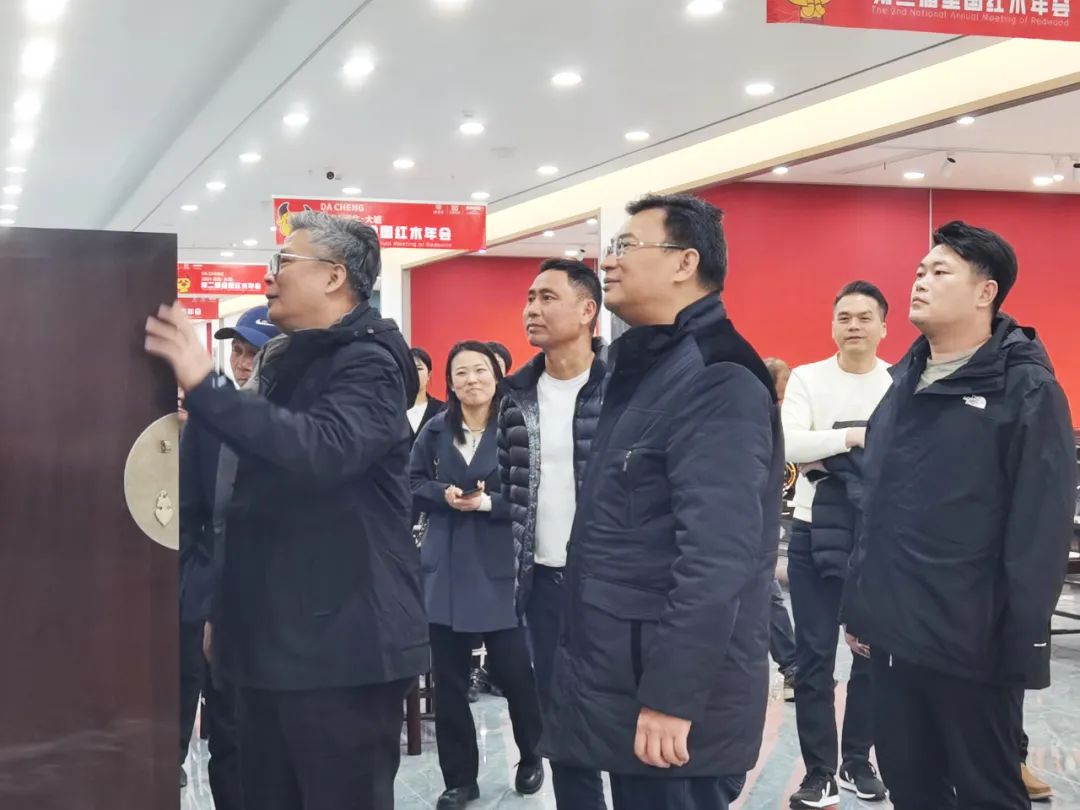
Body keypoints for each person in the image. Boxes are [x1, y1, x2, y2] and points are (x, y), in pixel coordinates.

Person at [146, 211, 428, 810]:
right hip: (273, 641)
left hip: (342, 648)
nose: (268, 277)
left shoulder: (370, 363)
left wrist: (206, 387)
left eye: (283, 262)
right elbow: (247, 504)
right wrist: (226, 613)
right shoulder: (291, 361)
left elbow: (322, 450)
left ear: (333, 276)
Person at [542, 194, 783, 810]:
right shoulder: (649, 364)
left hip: (671, 698)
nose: (608, 262)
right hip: (629, 669)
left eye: (626, 247)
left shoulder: (717, 375)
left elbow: (716, 557)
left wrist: (673, 696)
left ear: (684, 262)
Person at [841, 221, 1076, 810]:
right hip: (896, 637)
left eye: (940, 272)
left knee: (985, 792)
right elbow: (878, 506)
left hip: (975, 645)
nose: (920, 281)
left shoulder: (1025, 389)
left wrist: (1022, 644)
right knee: (910, 786)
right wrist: (862, 606)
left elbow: (1040, 529)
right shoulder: (903, 383)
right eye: (920, 271)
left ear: (985, 292)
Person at [411, 341, 544, 810]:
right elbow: (412, 483)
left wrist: (488, 502)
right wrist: (441, 494)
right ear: (449, 382)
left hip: (498, 565)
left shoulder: (518, 427)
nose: (472, 380)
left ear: (497, 375)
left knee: (515, 673)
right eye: (461, 372)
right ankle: (460, 779)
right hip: (445, 568)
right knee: (449, 684)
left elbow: (532, 493)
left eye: (480, 370)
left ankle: (532, 753)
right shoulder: (434, 429)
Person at [498, 258, 607, 809]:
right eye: (529, 298)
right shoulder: (515, 395)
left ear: (587, 310)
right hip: (542, 582)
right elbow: (510, 488)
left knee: (621, 717)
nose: (532, 309)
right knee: (560, 722)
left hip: (611, 584)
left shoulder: (621, 388)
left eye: (547, 298)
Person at [781, 281, 892, 807]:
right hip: (811, 531)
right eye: (844, 316)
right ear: (832, 325)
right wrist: (853, 437)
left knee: (871, 652)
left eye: (865, 317)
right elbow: (788, 443)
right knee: (815, 658)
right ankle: (820, 771)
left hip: (879, 534)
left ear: (883, 326)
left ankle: (857, 761)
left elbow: (903, 455)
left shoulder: (897, 381)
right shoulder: (808, 377)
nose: (854, 325)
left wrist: (822, 448)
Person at [179, 306, 279, 804]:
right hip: (208, 592)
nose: (242, 363)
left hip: (274, 603)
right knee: (221, 731)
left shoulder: (298, 427)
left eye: (253, 353)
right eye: (236, 351)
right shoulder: (209, 421)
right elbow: (188, 509)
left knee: (258, 735)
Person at [762, 357, 798, 704]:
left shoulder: (778, 418)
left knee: (767, 594)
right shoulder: (757, 418)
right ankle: (791, 665)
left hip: (763, 522)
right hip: (750, 523)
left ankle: (792, 665)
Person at [409, 347, 445, 444]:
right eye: (408, 368)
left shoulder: (443, 410)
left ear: (429, 374)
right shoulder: (391, 411)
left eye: (419, 369)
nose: (413, 373)